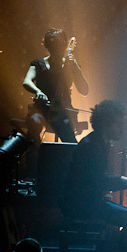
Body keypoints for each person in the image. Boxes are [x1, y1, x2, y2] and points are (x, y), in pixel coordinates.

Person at [60, 99, 127, 252]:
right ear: (106, 123)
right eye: (119, 124)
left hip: (86, 201)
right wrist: (126, 181)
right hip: (81, 205)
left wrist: (123, 181)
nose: (122, 129)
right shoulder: (92, 146)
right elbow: (97, 180)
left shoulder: (98, 143)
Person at [22, 28, 90, 178]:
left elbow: (84, 90)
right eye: (53, 46)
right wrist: (38, 92)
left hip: (62, 111)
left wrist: (76, 67)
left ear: (65, 45)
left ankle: (72, 177)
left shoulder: (70, 64)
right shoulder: (39, 64)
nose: (57, 49)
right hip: (41, 109)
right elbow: (27, 81)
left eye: (59, 45)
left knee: (71, 143)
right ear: (47, 46)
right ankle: (30, 174)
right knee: (34, 124)